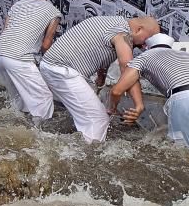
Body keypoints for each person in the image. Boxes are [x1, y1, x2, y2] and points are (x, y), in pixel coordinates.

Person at [39, 14, 160, 143]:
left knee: (88, 116)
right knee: (98, 119)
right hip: (62, 70)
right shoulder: (122, 34)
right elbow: (128, 68)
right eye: (146, 40)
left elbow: (97, 47)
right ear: (138, 30)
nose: (144, 47)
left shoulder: (112, 22)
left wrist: (101, 75)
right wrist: (139, 104)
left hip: (55, 67)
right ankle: (86, 156)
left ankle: (72, 145)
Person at [109, 32, 189, 157]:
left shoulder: (144, 57)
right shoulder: (184, 55)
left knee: (187, 153)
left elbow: (117, 90)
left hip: (186, 96)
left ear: (147, 47)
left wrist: (112, 108)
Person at [0, 0, 61, 125]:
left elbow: (6, 30)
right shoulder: (54, 12)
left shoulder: (17, 5)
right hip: (19, 58)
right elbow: (45, 46)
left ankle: (12, 125)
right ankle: (38, 135)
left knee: (18, 98)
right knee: (44, 98)